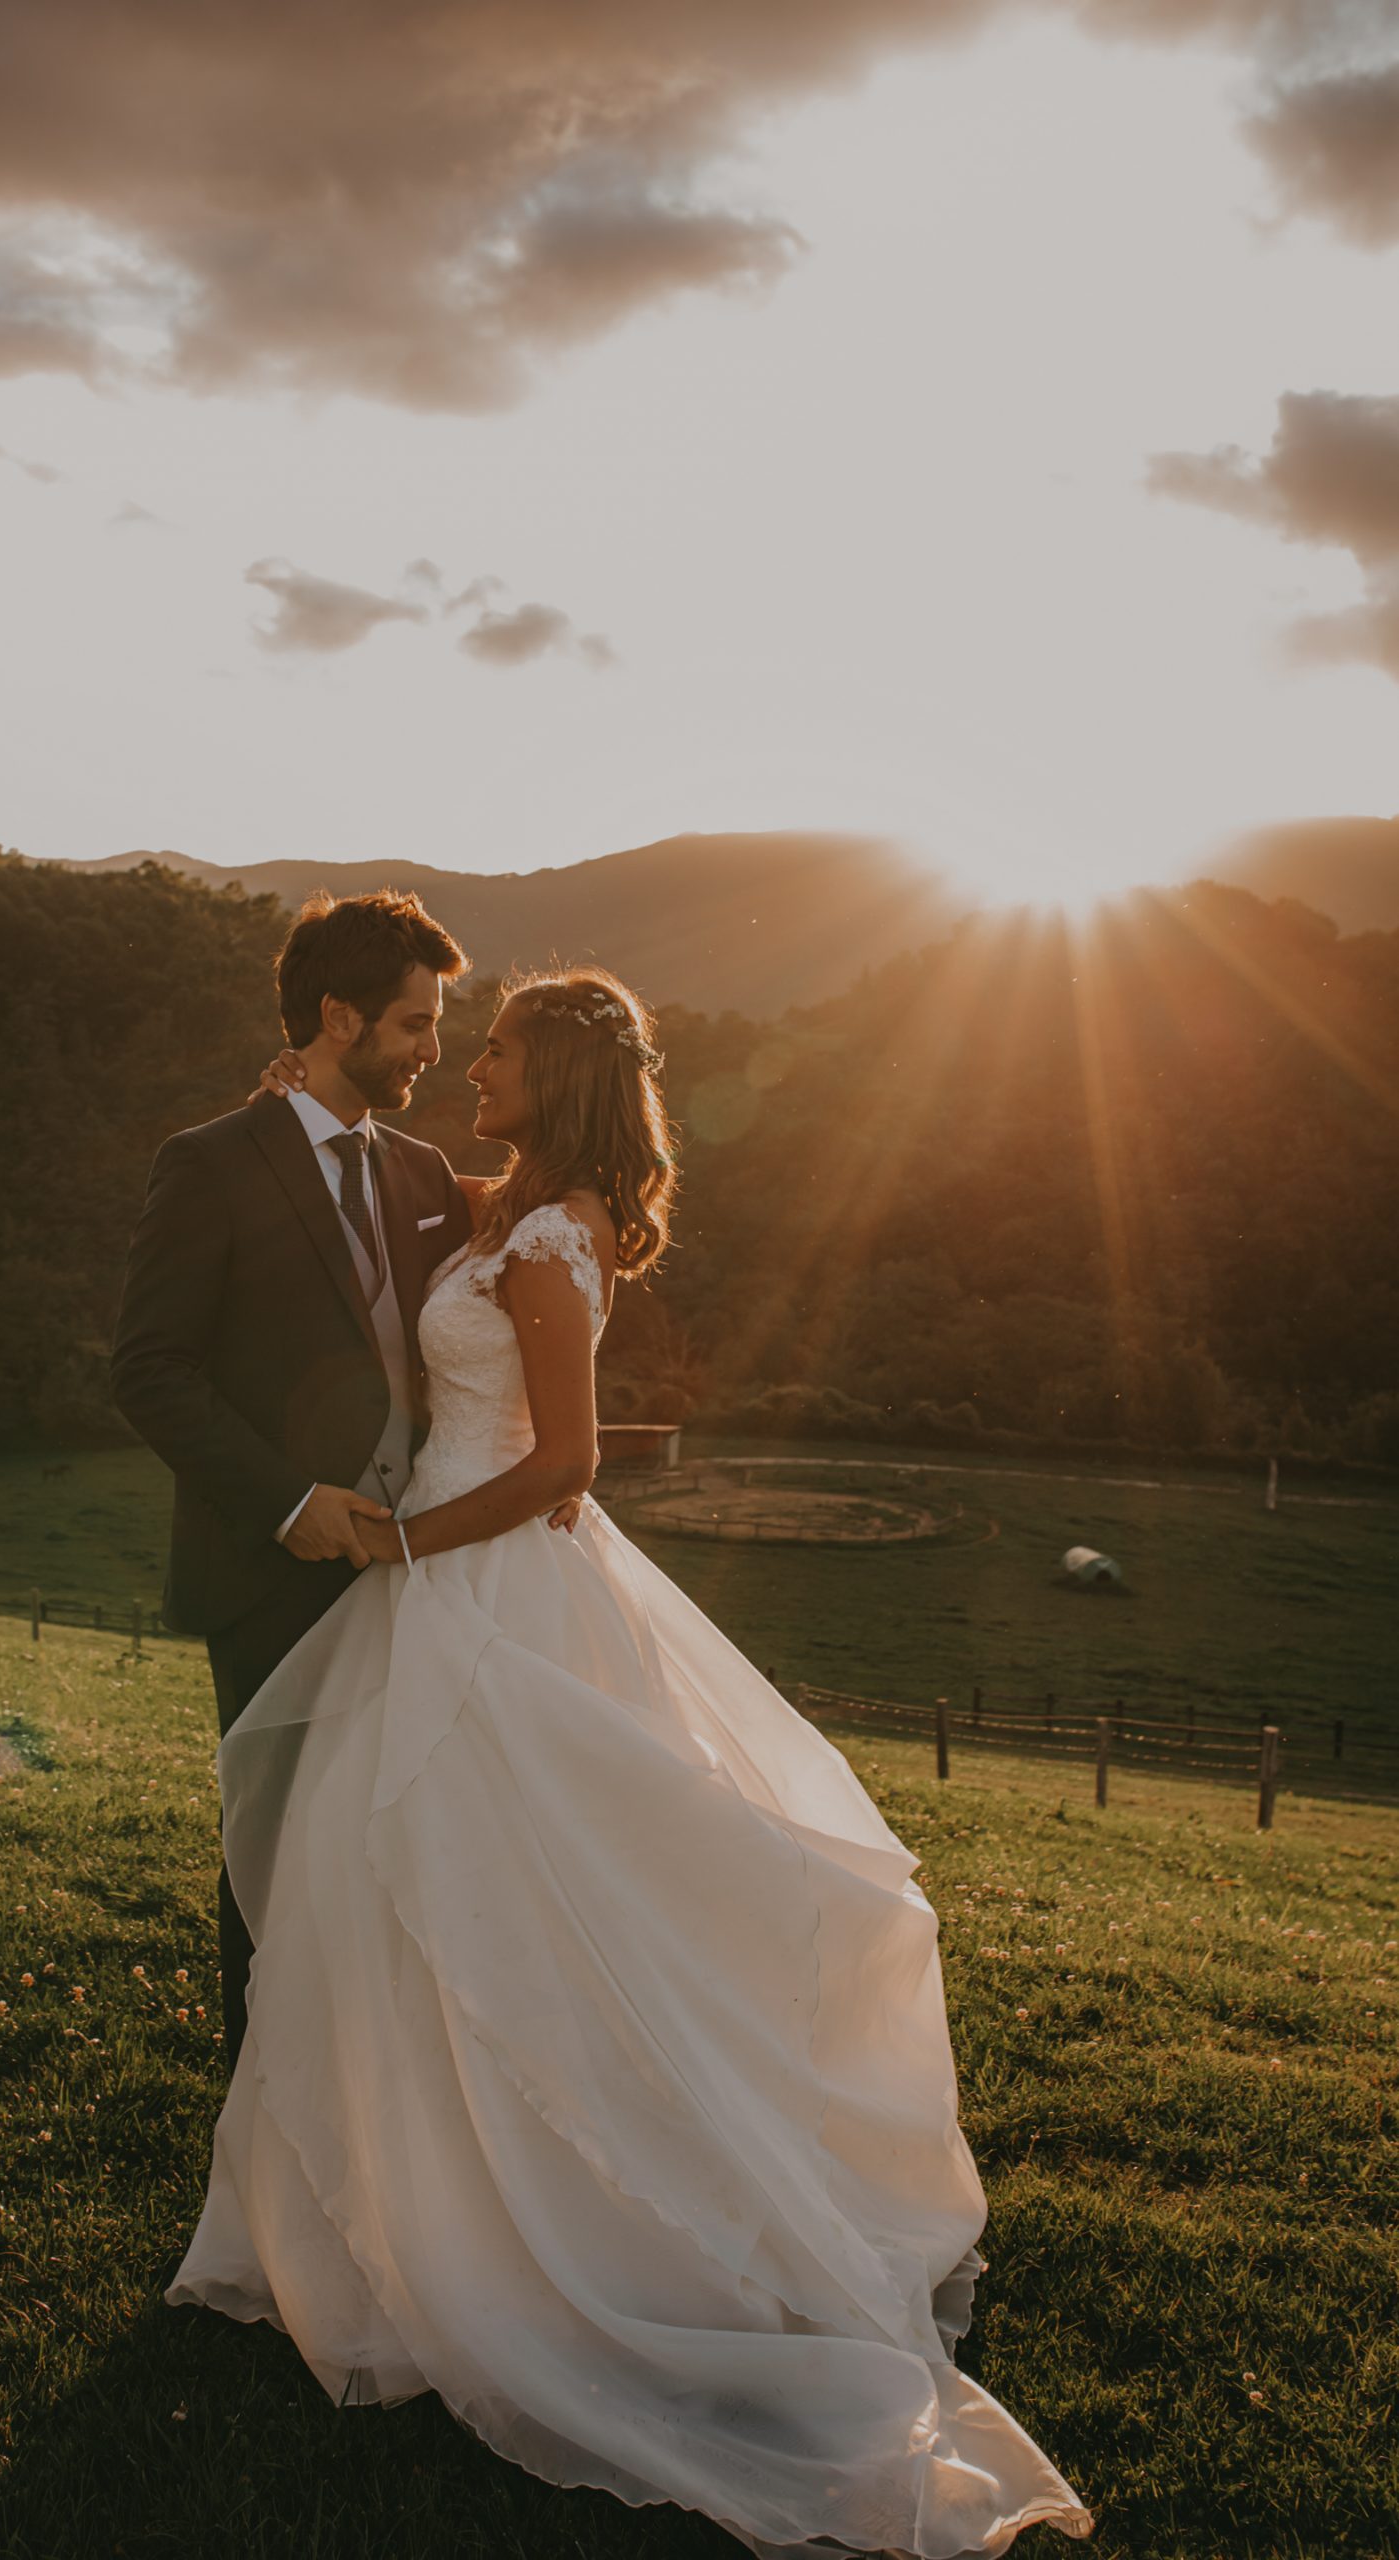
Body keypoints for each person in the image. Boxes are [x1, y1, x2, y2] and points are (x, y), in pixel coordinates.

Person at [165, 967, 1096, 2558]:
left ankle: (545, 2237)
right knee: (393, 1895)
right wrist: (293, 1092)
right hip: (443, 1590)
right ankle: (401, 2213)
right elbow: (361, 1169)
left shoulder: (552, 1233)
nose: (470, 1071)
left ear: (563, 1081)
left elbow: (565, 1462)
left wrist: (399, 1537)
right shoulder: (495, 1199)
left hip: (482, 1577)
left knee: (500, 1901)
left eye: (499, 1053)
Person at [110, 889, 476, 2071]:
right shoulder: (210, 1163)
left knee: (400, 1849)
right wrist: (286, 1502)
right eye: (416, 1025)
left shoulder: (424, 1174)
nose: (434, 1049)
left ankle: (381, 2105)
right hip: (269, 1577)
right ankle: (262, 2130)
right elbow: (150, 1372)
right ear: (338, 1016)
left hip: (415, 1575)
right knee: (271, 1863)